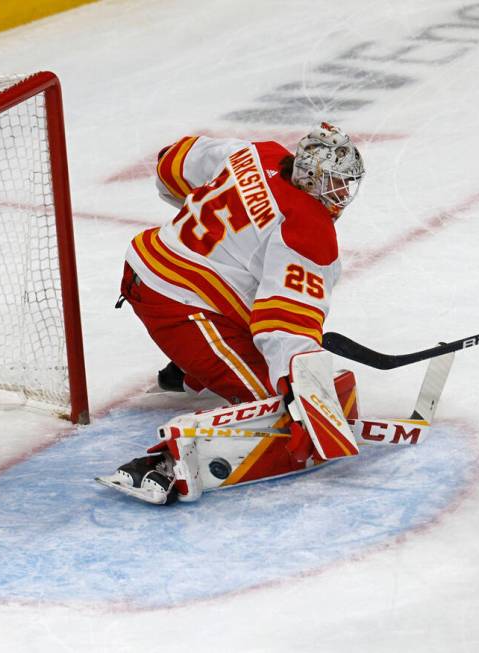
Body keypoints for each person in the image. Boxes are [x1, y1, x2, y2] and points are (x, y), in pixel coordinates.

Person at [100, 122, 366, 504]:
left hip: (149, 268)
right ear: (308, 178)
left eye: (346, 183)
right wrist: (303, 393)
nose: (341, 194)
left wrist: (217, 216)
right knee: (277, 413)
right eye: (333, 183)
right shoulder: (308, 228)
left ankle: (189, 369)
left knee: (241, 281)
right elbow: (283, 325)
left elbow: (170, 163)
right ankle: (163, 464)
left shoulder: (259, 153)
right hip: (179, 308)